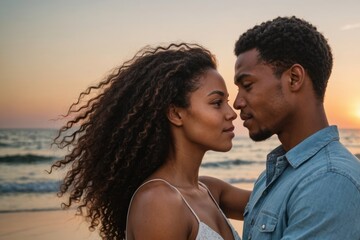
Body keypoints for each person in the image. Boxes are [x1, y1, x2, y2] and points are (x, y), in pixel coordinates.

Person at [50, 43, 250, 239]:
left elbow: (278, 201)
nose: (232, 114)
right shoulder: (159, 202)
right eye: (216, 103)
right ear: (176, 114)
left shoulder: (209, 190)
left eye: (227, 102)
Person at [211, 16, 360, 239]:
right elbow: (218, 194)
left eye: (247, 86)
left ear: (293, 78)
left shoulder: (328, 180)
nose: (238, 102)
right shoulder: (277, 175)